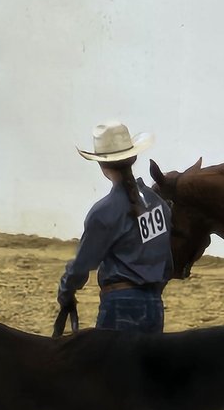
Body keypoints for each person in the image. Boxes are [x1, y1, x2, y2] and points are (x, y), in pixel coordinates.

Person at [57, 121, 173, 333]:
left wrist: (66, 291)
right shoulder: (159, 205)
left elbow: (83, 264)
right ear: (133, 158)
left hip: (120, 303)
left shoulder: (104, 212)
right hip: (154, 303)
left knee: (108, 365)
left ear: (102, 165)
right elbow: (167, 263)